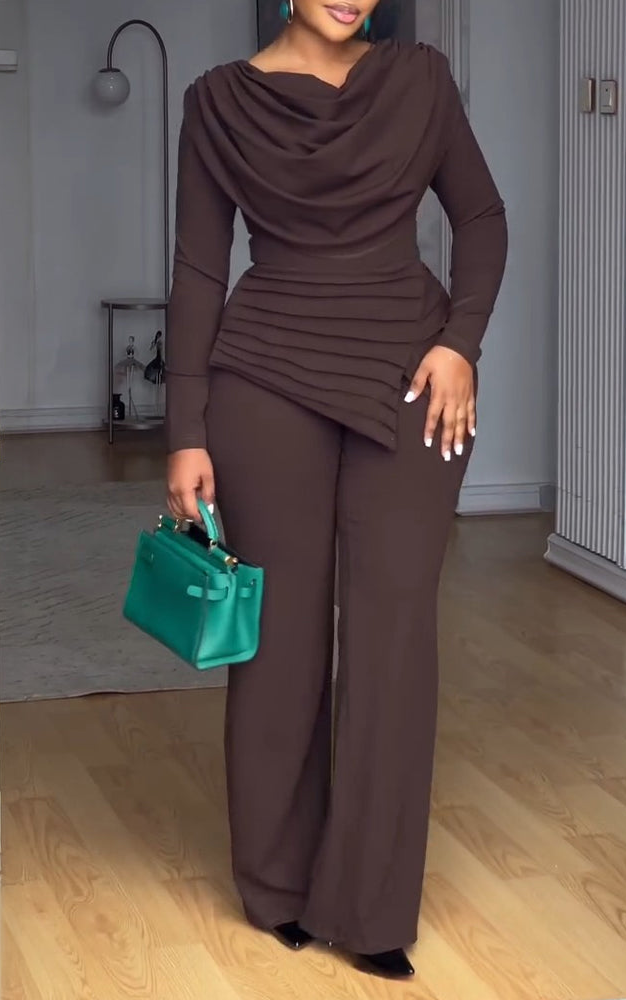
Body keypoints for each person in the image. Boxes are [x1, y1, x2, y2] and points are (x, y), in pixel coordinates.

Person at [165, 0, 507, 980]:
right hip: (264, 380)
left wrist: (461, 344)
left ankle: (372, 905)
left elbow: (480, 217)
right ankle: (276, 885)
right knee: (279, 640)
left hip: (412, 380)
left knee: (394, 637)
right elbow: (199, 270)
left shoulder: (420, 80)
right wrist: (185, 432)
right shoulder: (218, 104)